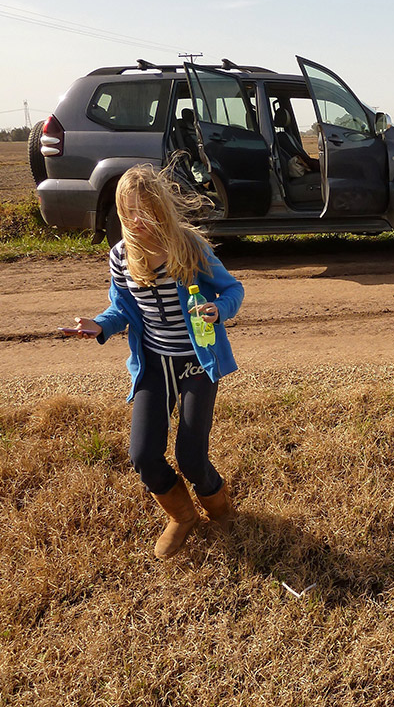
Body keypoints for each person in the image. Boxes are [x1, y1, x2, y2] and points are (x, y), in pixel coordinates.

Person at [62, 165, 244, 560]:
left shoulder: (189, 247)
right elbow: (121, 308)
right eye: (127, 213)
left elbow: (233, 288)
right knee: (143, 455)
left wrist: (218, 308)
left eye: (145, 212)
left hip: (196, 361)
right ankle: (181, 516)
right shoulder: (121, 256)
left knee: (191, 457)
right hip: (154, 363)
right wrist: (99, 325)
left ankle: (221, 511)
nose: (136, 221)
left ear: (161, 209)